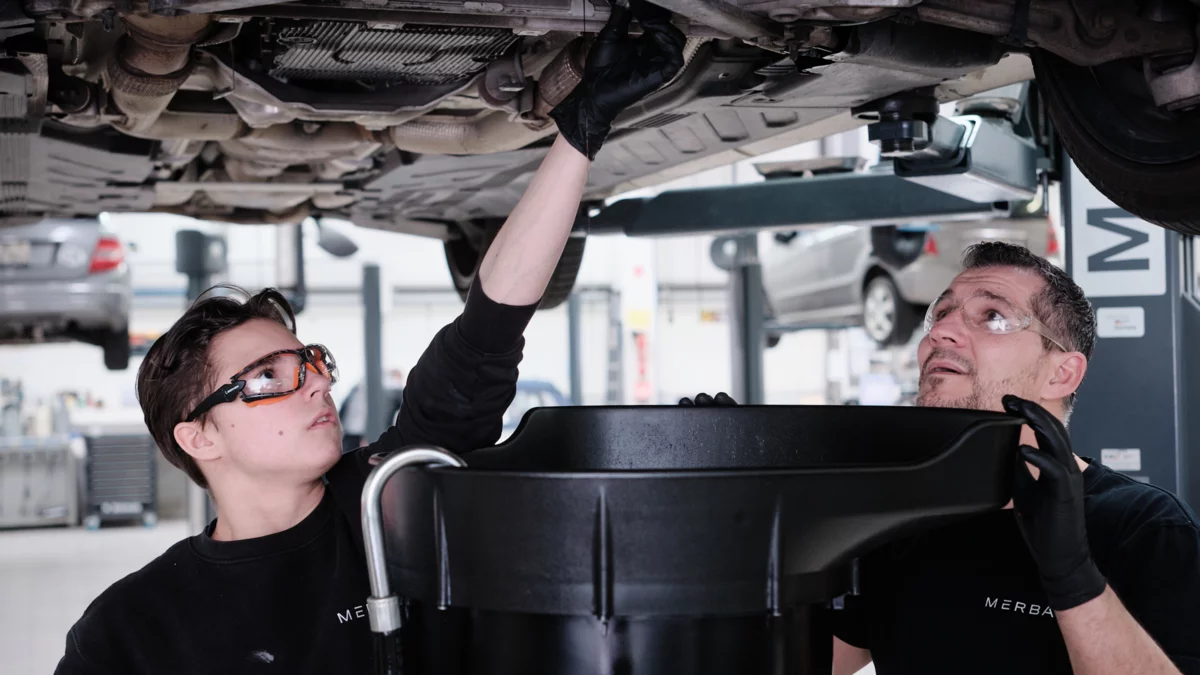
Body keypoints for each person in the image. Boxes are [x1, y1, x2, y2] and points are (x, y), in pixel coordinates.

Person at [54, 3, 685, 673]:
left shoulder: (392, 499)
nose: (318, 381)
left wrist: (582, 129)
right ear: (199, 435)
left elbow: (487, 331)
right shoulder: (131, 630)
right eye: (270, 377)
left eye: (310, 362)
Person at [688, 242, 1200, 674]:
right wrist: (740, 522)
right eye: (942, 313)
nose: (940, 332)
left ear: (1062, 373)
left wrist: (1073, 576)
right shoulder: (902, 525)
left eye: (992, 316)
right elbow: (799, 665)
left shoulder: (1143, 527)